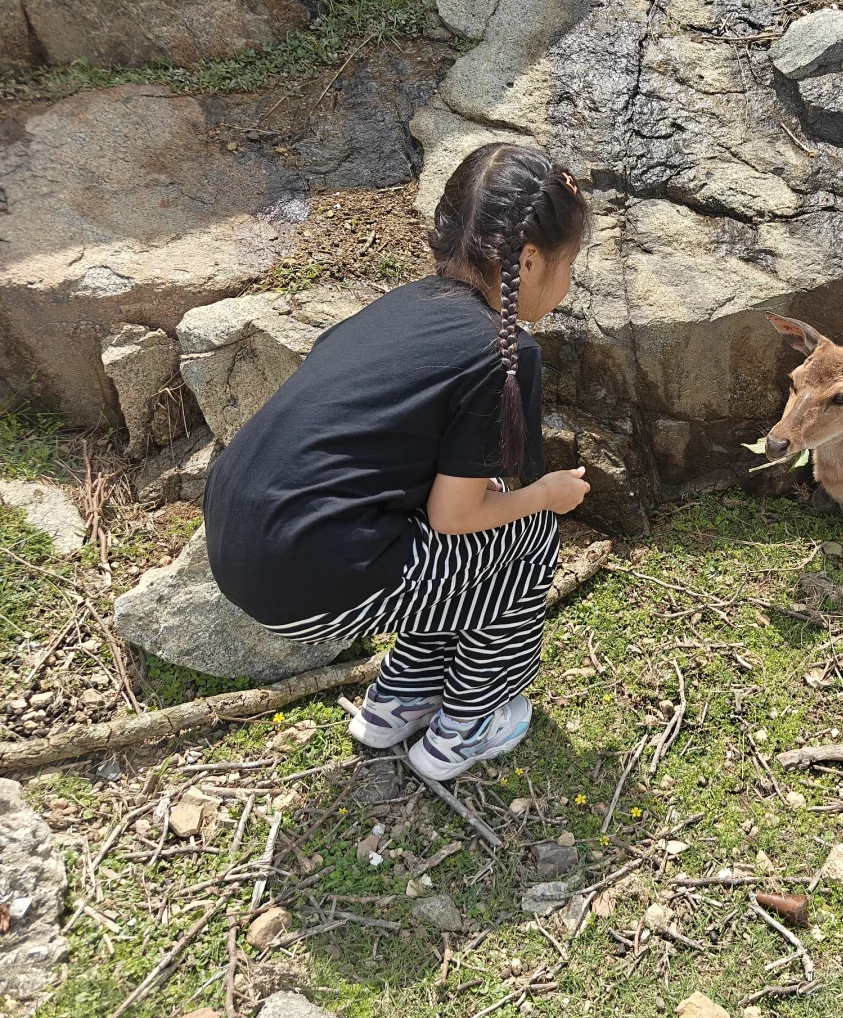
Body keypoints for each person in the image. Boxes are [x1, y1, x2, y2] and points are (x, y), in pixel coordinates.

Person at [203, 143, 592, 781]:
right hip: (302, 574)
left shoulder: (404, 305)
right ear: (528, 259)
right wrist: (545, 495)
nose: (569, 281)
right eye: (568, 262)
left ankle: (400, 699)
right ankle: (468, 725)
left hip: (238, 534)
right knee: (526, 537)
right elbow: (455, 516)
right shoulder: (502, 350)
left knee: (463, 536)